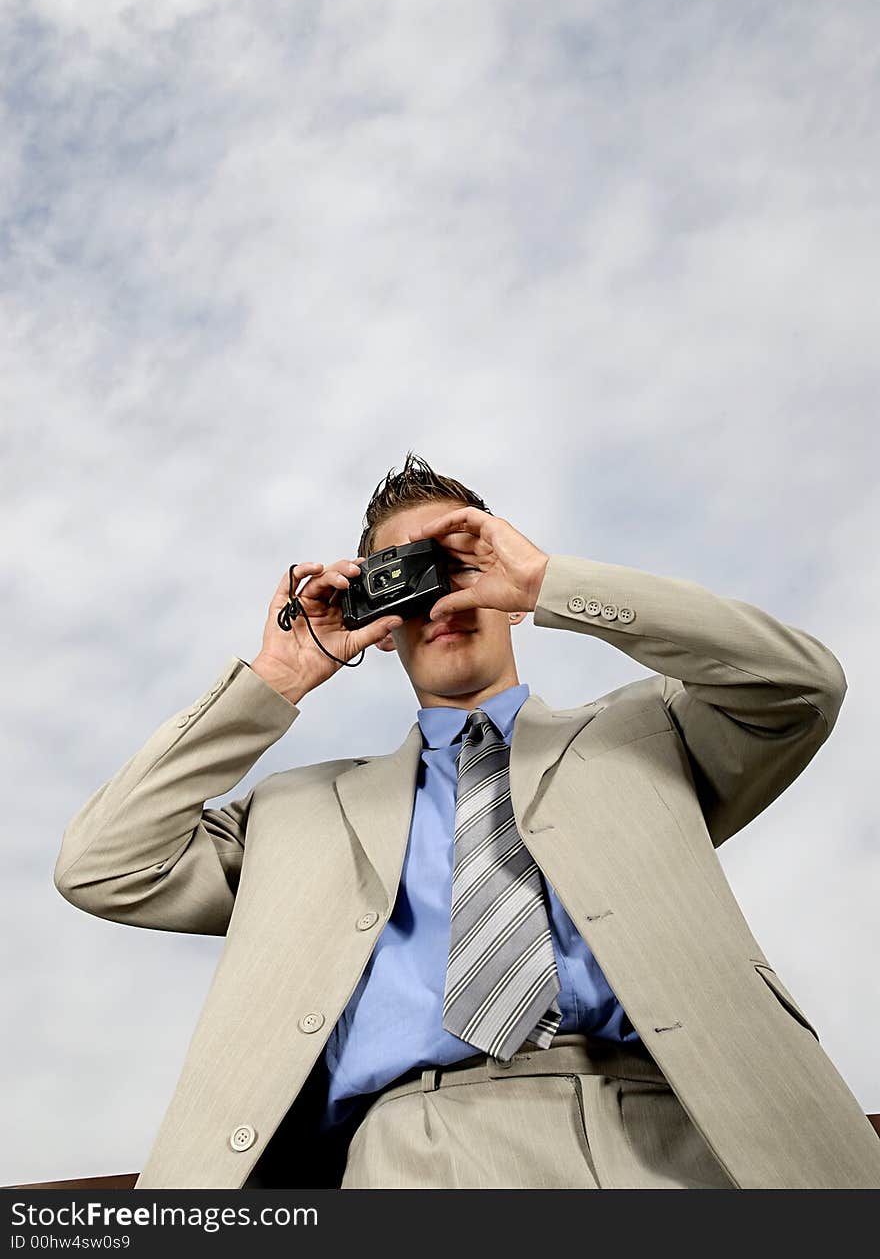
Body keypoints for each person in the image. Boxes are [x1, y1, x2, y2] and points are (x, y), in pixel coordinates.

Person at [55, 452, 880, 1189]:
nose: (440, 597)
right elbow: (103, 862)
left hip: (693, 1132)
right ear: (376, 619)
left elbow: (802, 684)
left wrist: (551, 582)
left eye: (457, 563)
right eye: (406, 578)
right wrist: (278, 675)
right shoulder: (297, 812)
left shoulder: (654, 732)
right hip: (417, 1154)